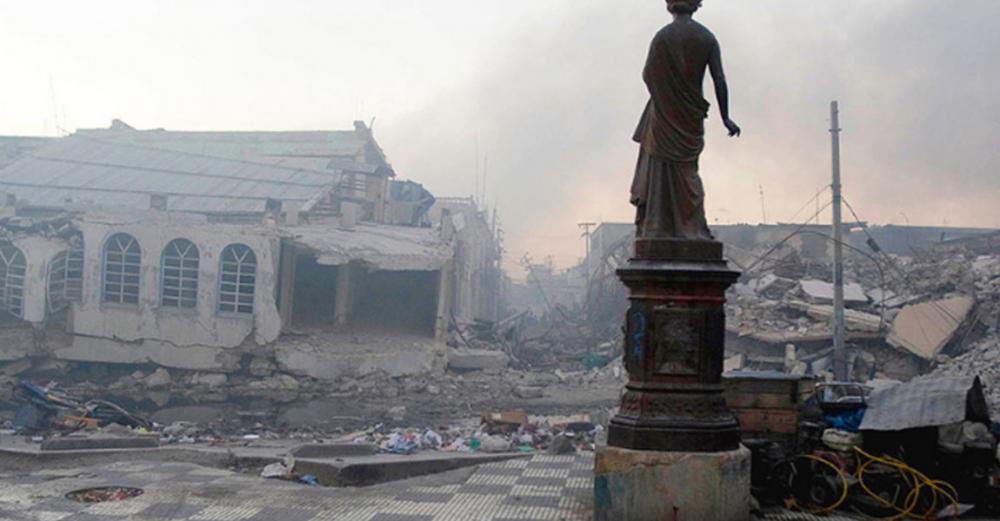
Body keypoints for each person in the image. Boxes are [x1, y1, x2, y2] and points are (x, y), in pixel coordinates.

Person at [630, 0, 740, 240]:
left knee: (660, 173)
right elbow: (719, 79)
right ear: (696, 5)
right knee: (688, 172)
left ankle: (659, 228)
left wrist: (666, 98)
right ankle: (693, 228)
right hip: (690, 115)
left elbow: (648, 74)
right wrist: (725, 117)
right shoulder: (706, 38)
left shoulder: (663, 37)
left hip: (665, 115)